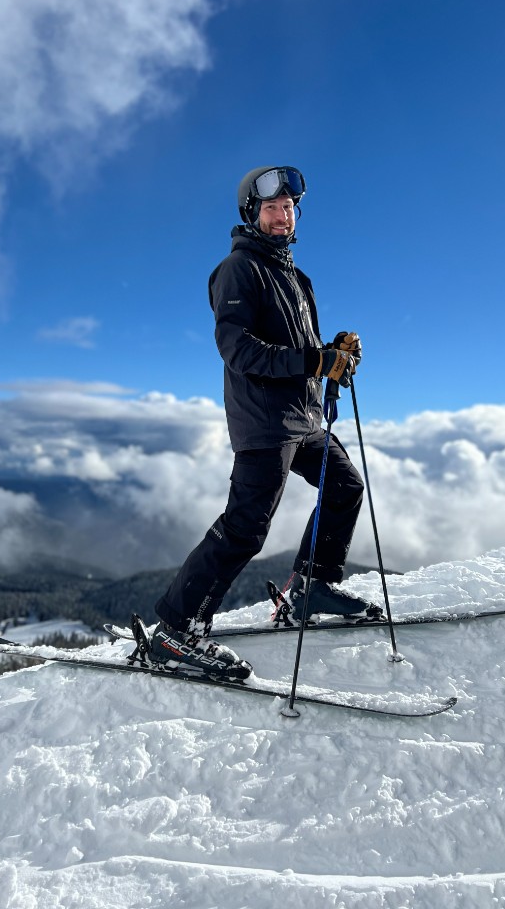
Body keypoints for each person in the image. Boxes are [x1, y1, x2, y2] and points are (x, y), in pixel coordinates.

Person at [148, 165, 381, 680]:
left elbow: (301, 349)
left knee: (344, 486)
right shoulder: (238, 269)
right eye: (272, 207)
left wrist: (332, 353)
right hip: (263, 423)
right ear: (253, 214)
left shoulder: (296, 277)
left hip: (304, 417)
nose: (283, 215)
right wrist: (311, 361)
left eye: (289, 207)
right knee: (247, 526)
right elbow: (238, 349)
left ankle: (310, 588)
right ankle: (175, 631)